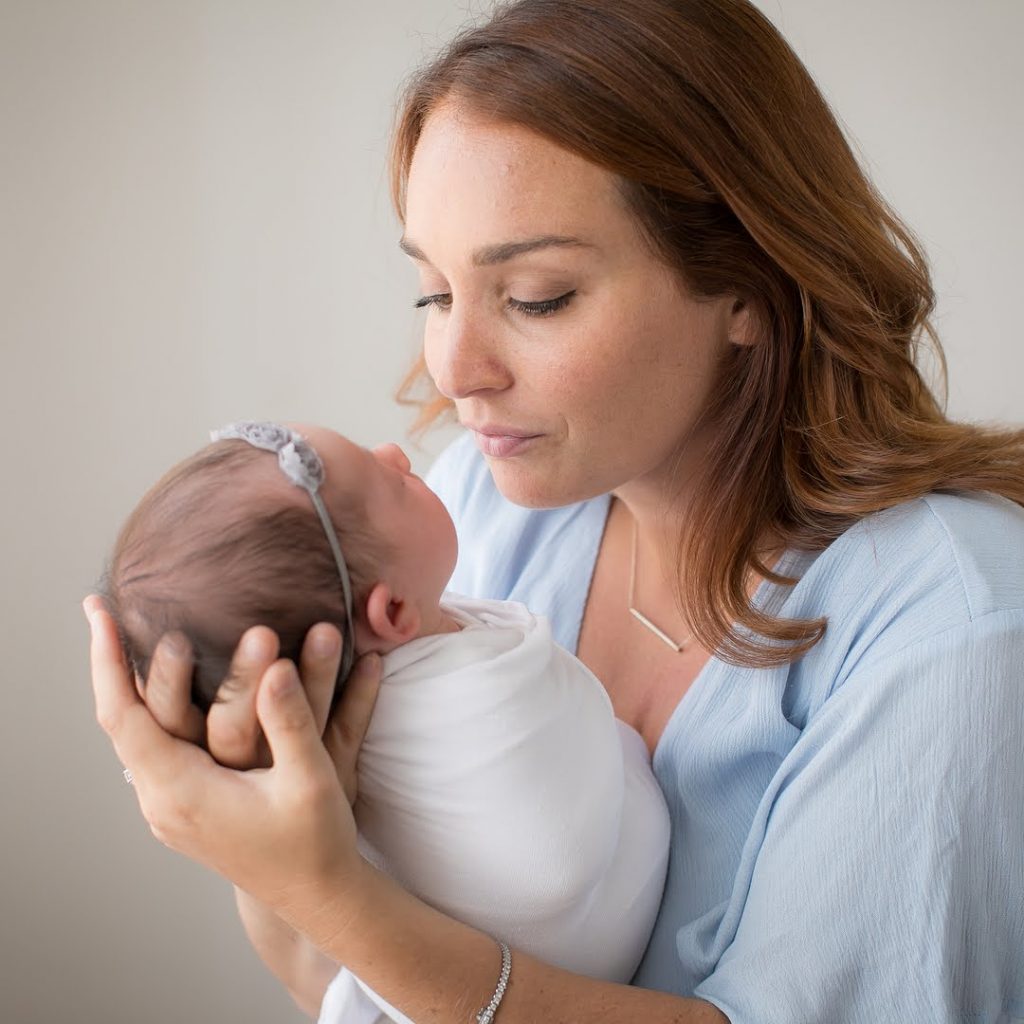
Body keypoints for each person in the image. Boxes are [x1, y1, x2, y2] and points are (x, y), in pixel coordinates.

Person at [86, 0, 1024, 1021]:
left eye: (534, 297)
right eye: (433, 293)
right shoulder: (476, 518)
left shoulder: (956, 626)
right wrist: (257, 819)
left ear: (750, 284)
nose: (454, 370)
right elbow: (339, 989)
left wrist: (328, 889)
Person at [100, 419, 670, 1020]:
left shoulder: (473, 515)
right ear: (394, 611)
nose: (397, 453)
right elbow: (543, 869)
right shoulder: (470, 681)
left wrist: (318, 894)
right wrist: (299, 884)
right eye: (390, 483)